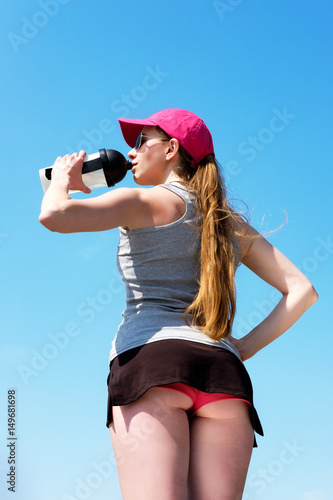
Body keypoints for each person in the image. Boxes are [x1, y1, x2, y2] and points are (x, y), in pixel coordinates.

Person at [39, 108, 318, 500]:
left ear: (171, 148)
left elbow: (54, 215)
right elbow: (302, 290)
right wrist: (241, 348)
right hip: (223, 376)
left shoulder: (142, 200)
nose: (131, 152)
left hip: (152, 367)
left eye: (141, 141)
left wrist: (62, 180)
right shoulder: (229, 223)